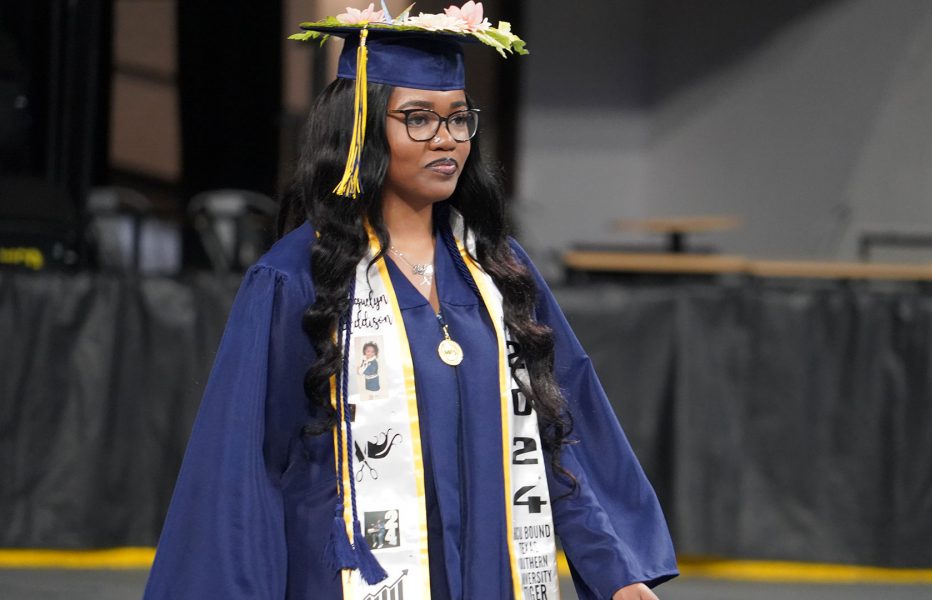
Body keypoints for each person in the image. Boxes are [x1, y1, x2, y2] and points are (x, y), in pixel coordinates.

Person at [142, 3, 676, 599]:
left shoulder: (499, 269)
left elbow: (559, 428)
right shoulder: (297, 277)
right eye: (418, 119)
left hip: (490, 574)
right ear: (364, 130)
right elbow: (245, 468)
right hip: (344, 576)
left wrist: (617, 570)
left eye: (458, 119)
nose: (446, 140)